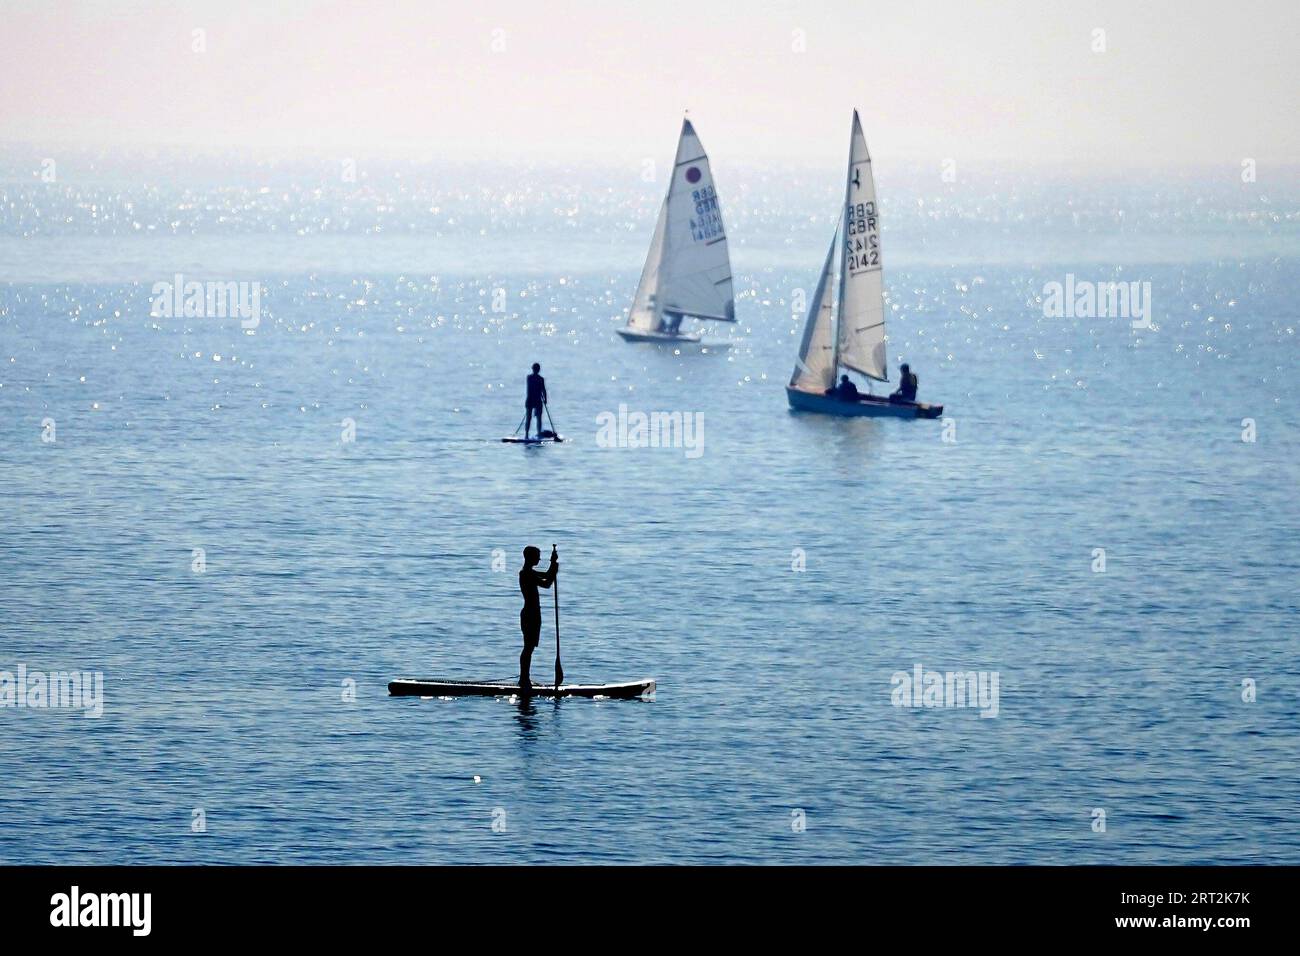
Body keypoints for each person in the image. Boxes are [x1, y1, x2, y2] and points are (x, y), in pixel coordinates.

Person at [518, 545, 558, 691]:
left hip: (534, 614)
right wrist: (554, 568)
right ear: (530, 558)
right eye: (537, 556)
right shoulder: (525, 574)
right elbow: (547, 583)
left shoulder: (530, 572)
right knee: (528, 647)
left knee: (530, 647)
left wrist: (553, 564)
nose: (539, 559)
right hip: (530, 614)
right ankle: (524, 679)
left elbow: (547, 575)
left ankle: (525, 678)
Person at [524, 363, 547, 438]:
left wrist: (545, 399)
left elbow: (543, 390)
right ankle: (526, 434)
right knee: (529, 417)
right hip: (531, 399)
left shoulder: (540, 379)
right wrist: (544, 397)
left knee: (538, 418)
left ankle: (539, 433)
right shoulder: (529, 378)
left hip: (537, 400)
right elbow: (541, 389)